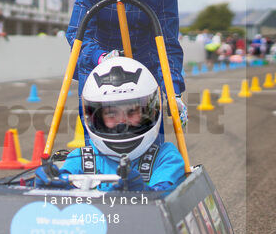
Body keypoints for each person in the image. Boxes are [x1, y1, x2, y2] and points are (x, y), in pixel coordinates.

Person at [65, 0, 186, 139]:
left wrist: (174, 91)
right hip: (98, 68)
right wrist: (101, 57)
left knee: (150, 141)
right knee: (101, 141)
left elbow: (168, 46)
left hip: (144, 71)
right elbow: (77, 33)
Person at [35, 57, 186, 192]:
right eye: (111, 113)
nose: (122, 121)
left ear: (150, 112)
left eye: (132, 112)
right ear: (97, 118)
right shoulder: (80, 158)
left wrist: (144, 193)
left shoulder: (166, 157)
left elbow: (167, 197)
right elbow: (62, 200)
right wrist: (52, 187)